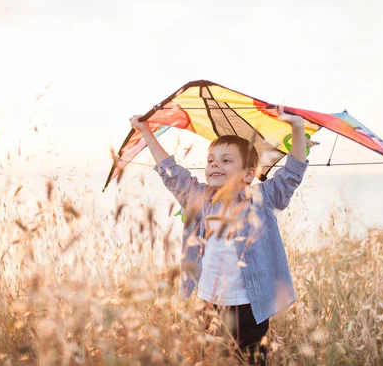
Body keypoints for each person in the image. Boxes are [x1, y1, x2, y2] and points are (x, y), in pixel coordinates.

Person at [130, 109, 308, 365]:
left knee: (249, 360)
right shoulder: (199, 198)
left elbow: (292, 175)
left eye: (226, 161)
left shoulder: (261, 199)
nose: (214, 165)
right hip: (208, 303)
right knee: (212, 358)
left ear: (248, 174)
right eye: (211, 160)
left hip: (248, 308)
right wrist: (145, 131)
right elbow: (170, 171)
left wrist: (297, 128)